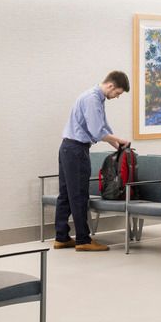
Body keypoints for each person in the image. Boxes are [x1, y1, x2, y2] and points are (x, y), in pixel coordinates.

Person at [54, 70, 131, 251]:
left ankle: (61, 237)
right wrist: (118, 140)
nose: (117, 97)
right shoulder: (92, 99)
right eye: (118, 93)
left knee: (65, 195)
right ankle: (83, 240)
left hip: (67, 148)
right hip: (76, 151)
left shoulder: (96, 97)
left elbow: (104, 126)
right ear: (111, 86)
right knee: (79, 195)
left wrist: (115, 144)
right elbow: (97, 131)